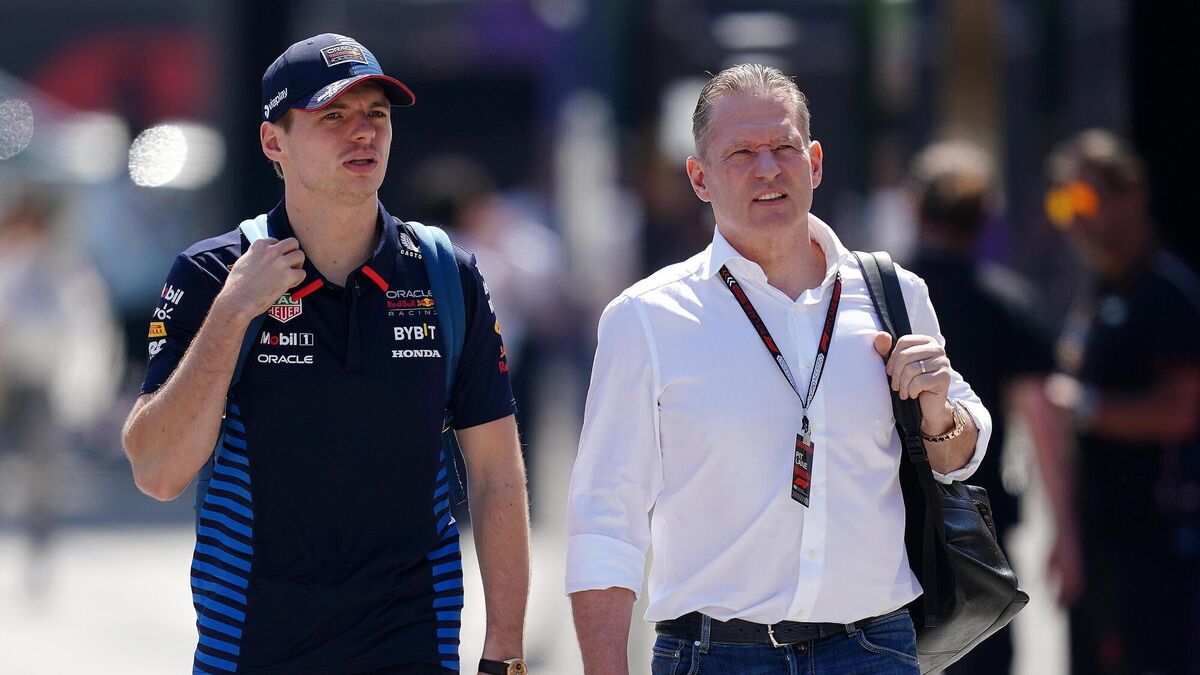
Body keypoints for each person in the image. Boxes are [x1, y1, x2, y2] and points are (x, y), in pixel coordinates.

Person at [120, 34, 530, 675]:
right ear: (273, 142)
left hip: (411, 647)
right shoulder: (213, 275)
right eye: (333, 115)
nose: (363, 133)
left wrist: (506, 653)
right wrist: (233, 311)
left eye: (377, 114)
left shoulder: (445, 273)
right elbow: (158, 472)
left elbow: (497, 472)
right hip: (252, 650)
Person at [565, 64, 992, 674]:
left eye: (784, 147)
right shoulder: (645, 318)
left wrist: (938, 416)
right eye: (741, 153)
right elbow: (606, 519)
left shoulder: (894, 294)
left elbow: (961, 457)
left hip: (873, 649)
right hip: (714, 656)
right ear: (699, 178)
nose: (767, 169)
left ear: (814, 163)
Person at [907, 141, 1080, 674]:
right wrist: (1066, 532)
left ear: (915, 207)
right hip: (978, 537)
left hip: (887, 527)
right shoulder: (1008, 303)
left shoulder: (874, 297)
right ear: (986, 219)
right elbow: (1043, 423)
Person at [1043, 129, 1200, 675]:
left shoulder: (1166, 293)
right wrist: (1065, 535)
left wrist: (1089, 407)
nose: (1073, 218)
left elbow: (1182, 410)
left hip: (1157, 549)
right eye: (1062, 202)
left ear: (1131, 196)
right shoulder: (1095, 292)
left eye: (1084, 199)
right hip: (1098, 545)